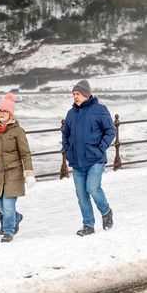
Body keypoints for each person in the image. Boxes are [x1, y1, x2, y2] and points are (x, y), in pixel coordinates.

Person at [0, 93, 35, 242]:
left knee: (8, 204)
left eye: (5, 111)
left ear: (10, 114)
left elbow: (25, 154)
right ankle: (17, 217)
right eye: (0, 111)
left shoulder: (17, 131)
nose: (2, 114)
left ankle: (8, 232)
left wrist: (29, 174)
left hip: (13, 173)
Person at [62, 79, 116, 237]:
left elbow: (110, 131)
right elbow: (65, 135)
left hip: (95, 159)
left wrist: (100, 148)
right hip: (77, 162)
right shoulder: (71, 113)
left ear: (86, 94)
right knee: (81, 195)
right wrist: (68, 150)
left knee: (93, 188)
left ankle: (106, 211)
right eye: (73, 94)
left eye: (77, 94)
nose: (75, 97)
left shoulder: (99, 109)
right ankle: (88, 225)